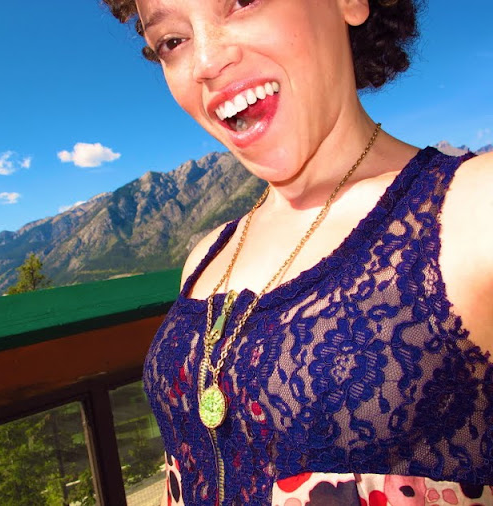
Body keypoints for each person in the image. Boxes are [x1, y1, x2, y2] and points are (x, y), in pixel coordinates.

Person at [103, 0, 493, 504]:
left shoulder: (474, 208)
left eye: (242, 2)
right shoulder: (203, 259)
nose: (206, 63)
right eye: (172, 42)